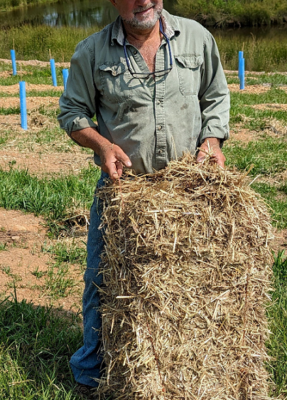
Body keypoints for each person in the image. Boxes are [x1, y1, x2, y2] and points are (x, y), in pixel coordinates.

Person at [57, 0, 230, 397]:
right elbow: (72, 113)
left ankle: (182, 367)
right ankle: (91, 370)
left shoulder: (197, 39)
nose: (143, 1)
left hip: (187, 190)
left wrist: (212, 139)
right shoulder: (91, 52)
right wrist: (101, 145)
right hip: (125, 193)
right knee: (102, 279)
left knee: (189, 281)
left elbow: (216, 97)